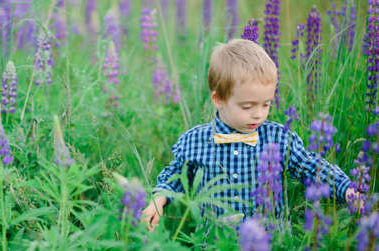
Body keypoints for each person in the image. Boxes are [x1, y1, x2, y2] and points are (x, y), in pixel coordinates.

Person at [142, 39, 356, 231]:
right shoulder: (195, 141)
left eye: (266, 104)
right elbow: (176, 176)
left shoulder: (277, 138)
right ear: (218, 99)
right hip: (216, 250)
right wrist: (159, 199)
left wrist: (347, 189)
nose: (259, 114)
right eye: (247, 106)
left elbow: (310, 165)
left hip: (270, 247)